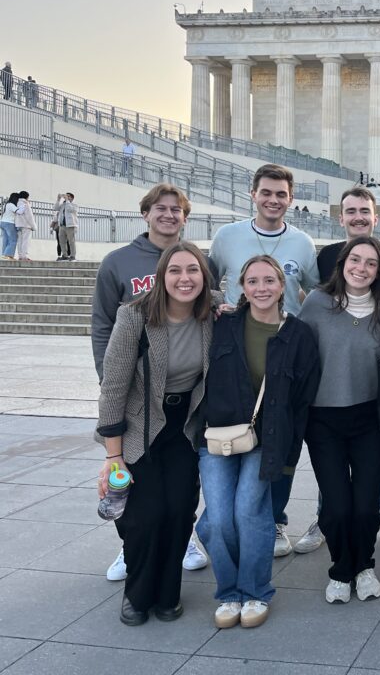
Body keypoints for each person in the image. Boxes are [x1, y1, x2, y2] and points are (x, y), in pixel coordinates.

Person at [95, 242, 219, 626]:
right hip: (141, 425)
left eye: (193, 270)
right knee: (145, 516)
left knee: (180, 510)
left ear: (204, 276)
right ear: (161, 276)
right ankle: (138, 592)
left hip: (184, 425)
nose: (185, 279)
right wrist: (113, 456)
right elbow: (113, 387)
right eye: (176, 271)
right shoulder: (135, 316)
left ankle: (168, 593)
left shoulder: (214, 312)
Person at [91, 184, 209, 580]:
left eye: (177, 210)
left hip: (180, 401)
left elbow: (209, 310)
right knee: (130, 484)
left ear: (185, 217)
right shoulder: (118, 262)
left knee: (178, 486)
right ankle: (131, 548)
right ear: (145, 213)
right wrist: (110, 381)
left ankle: (182, 536)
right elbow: (103, 326)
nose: (169, 215)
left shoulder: (198, 260)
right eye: (161, 208)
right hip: (134, 392)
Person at [197, 255, 320, 629]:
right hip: (218, 435)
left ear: (283, 286)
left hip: (267, 438)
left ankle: (254, 591)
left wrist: (288, 458)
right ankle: (229, 591)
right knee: (217, 520)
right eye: (253, 281)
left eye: (269, 281)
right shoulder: (223, 324)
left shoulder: (298, 335)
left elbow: (302, 403)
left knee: (249, 513)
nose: (261, 288)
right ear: (242, 288)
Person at [209, 164, 320, 559]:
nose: (274, 200)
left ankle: (273, 519)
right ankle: (226, 520)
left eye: (281, 194)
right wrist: (215, 305)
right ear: (253, 194)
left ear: (290, 199)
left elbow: (315, 292)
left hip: (286, 351)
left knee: (284, 439)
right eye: (267, 193)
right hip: (238, 351)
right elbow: (205, 283)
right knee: (238, 436)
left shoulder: (303, 243)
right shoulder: (227, 237)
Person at [300, 237, 380, 605]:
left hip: (371, 418)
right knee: (336, 506)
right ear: (342, 263)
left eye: (371, 263)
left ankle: (364, 565)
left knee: (366, 505)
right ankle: (341, 568)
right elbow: (297, 352)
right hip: (323, 420)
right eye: (355, 260)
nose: (361, 268)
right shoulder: (317, 303)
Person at [55, 192, 78, 261]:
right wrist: (58, 199)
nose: (66, 197)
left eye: (68, 196)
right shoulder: (63, 205)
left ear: (72, 198)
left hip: (70, 225)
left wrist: (67, 201)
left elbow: (70, 209)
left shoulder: (74, 205)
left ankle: (73, 255)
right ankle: (64, 255)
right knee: (62, 241)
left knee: (71, 241)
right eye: (66, 196)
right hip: (62, 225)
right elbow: (55, 208)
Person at [13, 191, 35, 261]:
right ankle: (24, 256)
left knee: (20, 240)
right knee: (26, 241)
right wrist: (33, 226)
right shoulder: (26, 204)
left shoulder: (16, 203)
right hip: (26, 225)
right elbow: (29, 217)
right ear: (27, 197)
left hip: (18, 225)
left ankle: (20, 256)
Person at [1, 193, 19, 259]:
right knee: (13, 240)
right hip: (9, 223)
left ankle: (4, 255)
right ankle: (8, 255)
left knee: (6, 239)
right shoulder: (11, 205)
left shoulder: (7, 204)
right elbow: (19, 211)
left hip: (3, 222)